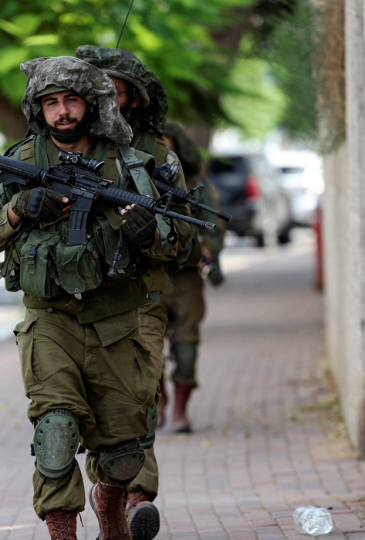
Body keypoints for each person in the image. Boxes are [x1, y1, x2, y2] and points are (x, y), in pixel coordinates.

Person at [0, 56, 181, 540]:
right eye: (51, 103)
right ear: (38, 108)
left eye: (71, 101)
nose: (62, 112)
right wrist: (20, 210)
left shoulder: (131, 163)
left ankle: (109, 507)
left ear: (92, 105)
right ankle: (62, 531)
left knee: (125, 455)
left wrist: (152, 232)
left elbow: (174, 242)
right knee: (56, 431)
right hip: (51, 322)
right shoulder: (22, 160)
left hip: (119, 321)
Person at [76, 45, 199, 540]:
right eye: (98, 91)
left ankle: (137, 497)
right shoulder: (65, 144)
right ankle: (104, 497)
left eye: (117, 92)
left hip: (140, 297)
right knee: (78, 413)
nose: (106, 99)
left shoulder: (158, 156)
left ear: (135, 99)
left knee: (139, 400)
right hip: (75, 302)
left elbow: (186, 233)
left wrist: (153, 233)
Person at [160, 122, 227, 433]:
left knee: (186, 349)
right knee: (145, 349)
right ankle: (158, 404)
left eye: (167, 144)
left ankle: (181, 410)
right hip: (147, 280)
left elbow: (214, 228)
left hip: (186, 279)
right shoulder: (133, 180)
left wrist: (206, 250)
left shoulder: (195, 184)